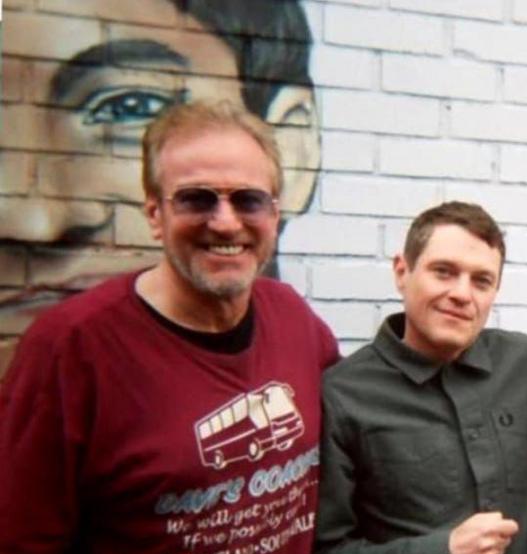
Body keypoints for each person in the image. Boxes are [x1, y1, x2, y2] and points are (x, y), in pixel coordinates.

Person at [0, 100, 339, 554]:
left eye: (248, 200)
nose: (225, 223)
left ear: (274, 213)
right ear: (155, 214)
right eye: (196, 199)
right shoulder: (71, 350)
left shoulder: (294, 319)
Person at [0, 0, 320, 374]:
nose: (31, 222)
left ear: (292, 154)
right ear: (155, 212)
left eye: (129, 106)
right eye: (195, 198)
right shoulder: (63, 345)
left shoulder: (295, 327)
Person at [312, 202, 527, 554]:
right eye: (444, 272)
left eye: (481, 281)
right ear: (402, 271)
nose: (461, 294)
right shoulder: (343, 395)